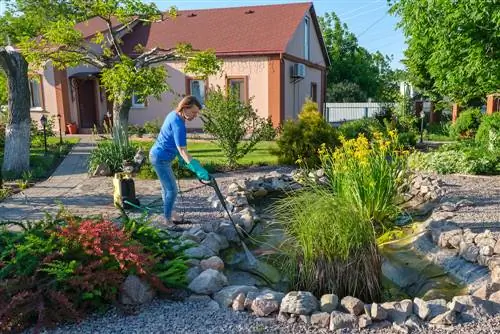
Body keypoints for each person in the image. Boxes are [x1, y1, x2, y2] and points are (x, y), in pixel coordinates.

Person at [149, 95, 211, 226]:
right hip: (160, 158)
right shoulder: (178, 123)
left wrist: (182, 160)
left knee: (166, 189)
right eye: (193, 112)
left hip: (159, 155)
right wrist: (197, 169)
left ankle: (172, 214)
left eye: (197, 113)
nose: (195, 115)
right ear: (185, 107)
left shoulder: (174, 115)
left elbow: (172, 140)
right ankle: (167, 220)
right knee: (172, 190)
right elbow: (182, 150)